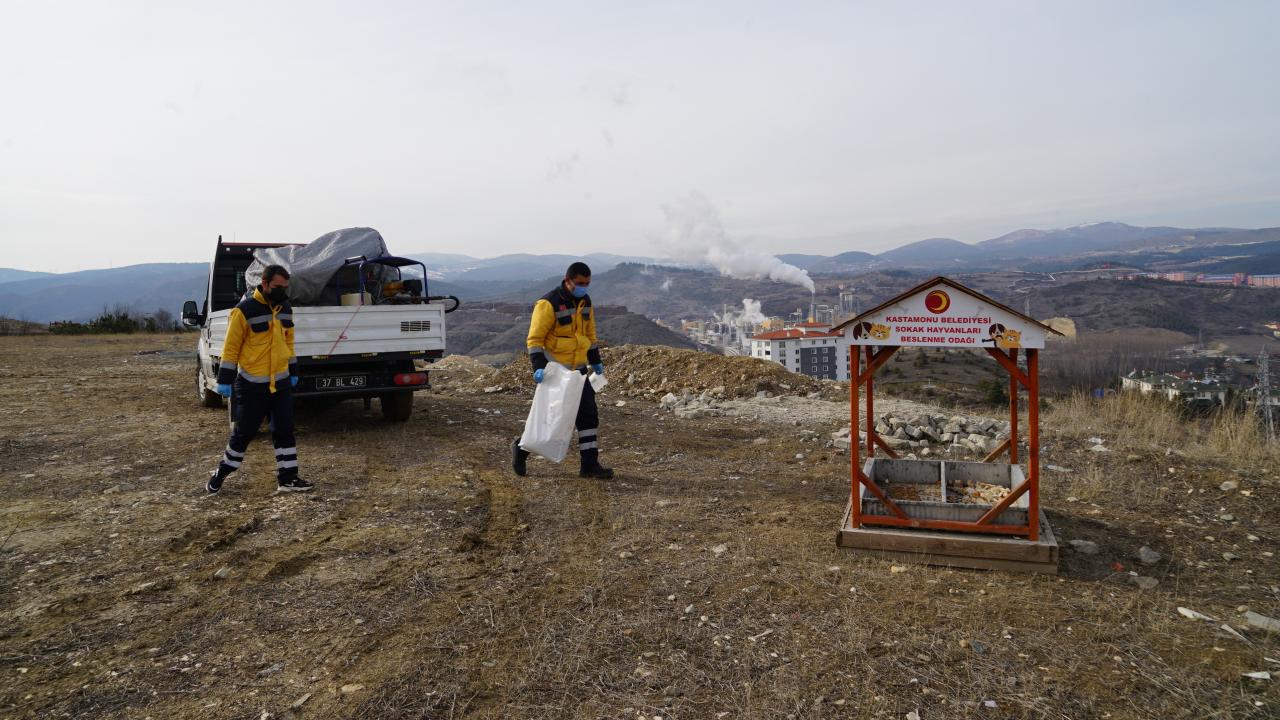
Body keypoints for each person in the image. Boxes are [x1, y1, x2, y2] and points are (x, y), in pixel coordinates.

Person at [206, 264, 314, 494]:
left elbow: (289, 342)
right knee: (243, 434)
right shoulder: (243, 310)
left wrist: (293, 371)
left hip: (281, 383)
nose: (282, 291)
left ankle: (288, 478)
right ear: (264, 284)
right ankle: (221, 473)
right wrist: (224, 380)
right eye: (277, 287)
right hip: (252, 385)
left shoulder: (285, 307)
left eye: (285, 287)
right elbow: (231, 348)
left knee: (284, 430)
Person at [512, 262, 614, 479]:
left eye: (587, 283)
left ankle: (589, 465)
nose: (584, 287)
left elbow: (590, 335)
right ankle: (521, 448)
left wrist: (595, 361)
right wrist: (538, 367)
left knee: (588, 417)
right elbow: (535, 339)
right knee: (553, 418)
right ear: (567, 280)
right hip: (556, 371)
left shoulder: (585, 301)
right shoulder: (548, 304)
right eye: (580, 283)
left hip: (578, 371)